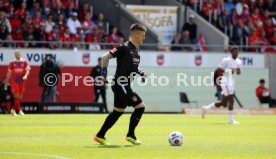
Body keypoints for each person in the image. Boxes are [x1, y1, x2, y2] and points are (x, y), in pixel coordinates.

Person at [94, 23, 147, 145]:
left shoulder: (135, 51)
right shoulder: (124, 47)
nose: (144, 38)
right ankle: (131, 135)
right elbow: (104, 57)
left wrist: (141, 72)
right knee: (140, 106)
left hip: (124, 85)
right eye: (143, 35)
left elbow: (133, 67)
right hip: (120, 84)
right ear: (136, 35)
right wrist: (103, 75)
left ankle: (100, 135)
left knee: (117, 111)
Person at [201, 46, 241, 124]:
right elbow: (218, 70)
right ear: (231, 52)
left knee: (224, 103)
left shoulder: (239, 61)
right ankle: (231, 120)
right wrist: (229, 71)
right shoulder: (226, 60)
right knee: (231, 99)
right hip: (225, 80)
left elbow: (238, 73)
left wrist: (238, 71)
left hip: (231, 81)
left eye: (237, 51)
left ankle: (206, 108)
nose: (236, 53)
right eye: (234, 51)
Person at [4, 50, 30, 116]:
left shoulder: (25, 61)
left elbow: (28, 70)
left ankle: (13, 110)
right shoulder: (12, 62)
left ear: (20, 54)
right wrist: (6, 83)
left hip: (22, 80)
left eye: (17, 53)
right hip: (14, 80)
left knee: (20, 97)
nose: (16, 54)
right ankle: (20, 110)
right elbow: (9, 73)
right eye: (15, 54)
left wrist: (25, 75)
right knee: (16, 95)